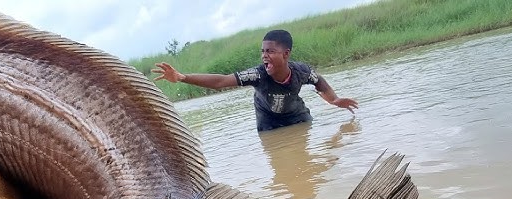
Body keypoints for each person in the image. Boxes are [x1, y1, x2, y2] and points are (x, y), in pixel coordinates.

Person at [152, 29, 359, 132]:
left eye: (270, 51)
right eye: (262, 51)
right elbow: (221, 81)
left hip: (297, 116)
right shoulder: (257, 75)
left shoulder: (301, 72)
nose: (264, 56)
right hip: (268, 122)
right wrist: (182, 77)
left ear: (286, 54)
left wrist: (334, 100)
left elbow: (319, 82)